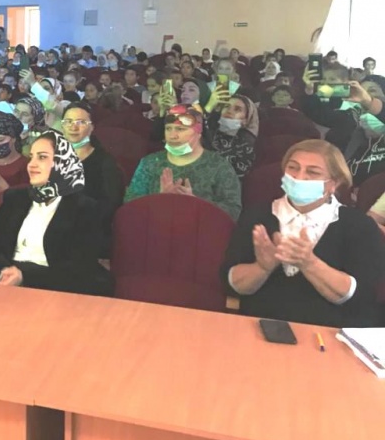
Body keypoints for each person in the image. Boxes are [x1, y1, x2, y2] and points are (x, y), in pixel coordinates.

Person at [222, 140, 384, 327]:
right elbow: (232, 284)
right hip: (259, 324)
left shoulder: (359, 225)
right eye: (293, 168)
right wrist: (262, 268)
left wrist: (309, 263)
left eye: (312, 172)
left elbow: (360, 296)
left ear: (334, 183)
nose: (299, 177)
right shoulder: (256, 215)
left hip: (331, 331)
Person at [0, 131, 112, 294]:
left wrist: (24, 276)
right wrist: (3, 272)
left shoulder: (84, 208)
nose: (31, 164)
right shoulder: (15, 198)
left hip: (54, 290)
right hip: (4, 283)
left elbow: (79, 268)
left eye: (42, 157)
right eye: (31, 157)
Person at [125, 105, 242, 220]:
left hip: (201, 230)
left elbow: (232, 211)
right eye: (168, 129)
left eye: (180, 129)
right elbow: (130, 205)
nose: (172, 136)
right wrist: (160, 200)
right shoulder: (149, 163)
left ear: (198, 132)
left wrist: (195, 204)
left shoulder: (219, 166)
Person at [60, 102, 124, 257]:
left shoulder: (104, 162)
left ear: (92, 127)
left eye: (81, 122)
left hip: (88, 233)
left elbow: (110, 205)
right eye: (68, 122)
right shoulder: (51, 157)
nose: (73, 127)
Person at [203, 87, 258, 179]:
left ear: (246, 119)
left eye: (237, 109)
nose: (229, 111)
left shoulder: (246, 147)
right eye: (226, 106)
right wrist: (209, 107)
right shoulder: (207, 133)